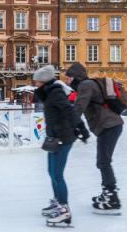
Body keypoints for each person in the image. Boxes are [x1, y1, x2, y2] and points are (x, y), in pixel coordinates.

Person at [65, 63, 124, 215]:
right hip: (109, 125)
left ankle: (112, 197)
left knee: (103, 162)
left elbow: (79, 107)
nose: (67, 81)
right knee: (103, 161)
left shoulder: (85, 85)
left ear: (76, 77)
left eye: (69, 78)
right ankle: (108, 193)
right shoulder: (88, 84)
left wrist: (67, 125)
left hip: (109, 126)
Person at [34, 65, 88, 227]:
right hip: (54, 137)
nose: (35, 83)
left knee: (57, 174)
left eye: (37, 81)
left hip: (63, 138)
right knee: (51, 172)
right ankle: (58, 202)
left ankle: (64, 210)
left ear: (43, 80)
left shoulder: (55, 93)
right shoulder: (48, 92)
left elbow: (69, 111)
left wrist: (81, 128)